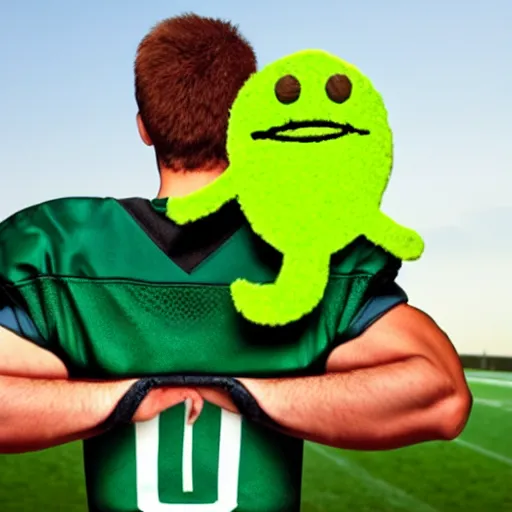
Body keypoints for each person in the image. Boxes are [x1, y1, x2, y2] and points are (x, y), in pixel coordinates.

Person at [0, 13, 472, 512]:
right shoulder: (306, 255)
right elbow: (441, 394)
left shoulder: (65, 250)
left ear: (144, 128)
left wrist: (125, 393)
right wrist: (245, 390)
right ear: (246, 119)